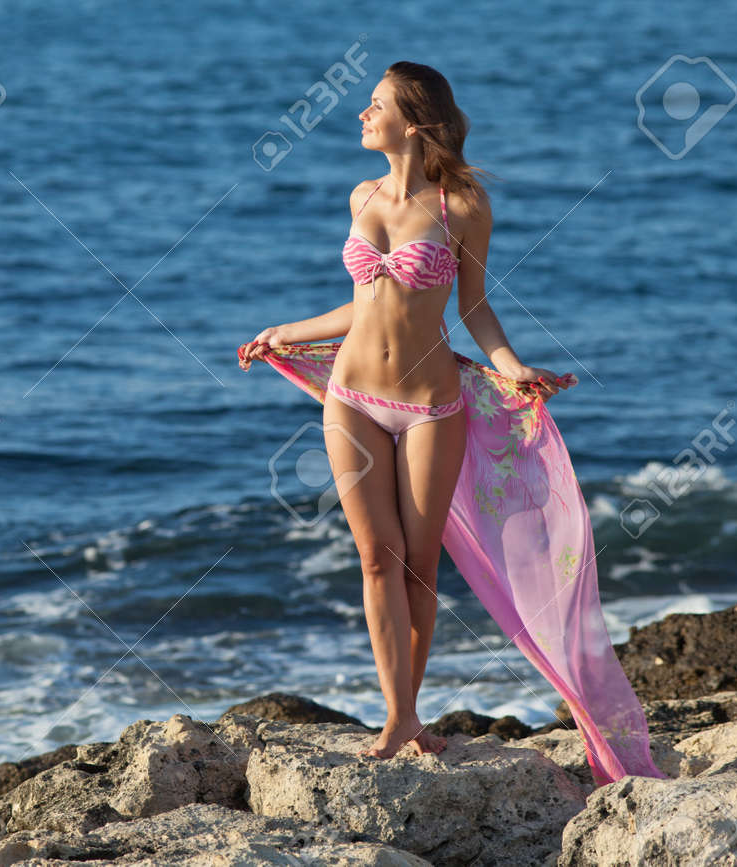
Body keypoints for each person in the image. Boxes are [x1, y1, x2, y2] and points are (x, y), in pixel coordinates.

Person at [243, 62, 576, 760]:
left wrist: (514, 368)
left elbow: (474, 307)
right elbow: (362, 307)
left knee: (420, 565)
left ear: (414, 123)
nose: (362, 115)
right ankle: (399, 719)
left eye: (375, 105)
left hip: (430, 406)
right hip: (352, 399)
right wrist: (284, 332)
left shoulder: (464, 206)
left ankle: (409, 716)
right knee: (376, 557)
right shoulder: (362, 196)